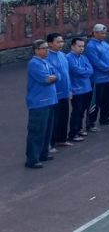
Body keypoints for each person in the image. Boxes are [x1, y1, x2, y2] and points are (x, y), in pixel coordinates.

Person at [25, 40, 58, 168]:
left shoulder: (46, 61)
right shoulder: (34, 63)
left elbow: (57, 75)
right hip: (39, 102)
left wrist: (54, 77)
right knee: (37, 130)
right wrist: (53, 77)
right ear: (36, 50)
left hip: (50, 100)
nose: (47, 50)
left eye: (47, 48)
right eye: (44, 48)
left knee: (47, 129)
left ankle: (43, 153)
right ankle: (32, 159)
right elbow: (45, 79)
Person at [85, 24, 109, 130]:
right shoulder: (91, 46)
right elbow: (96, 62)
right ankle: (91, 123)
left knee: (107, 100)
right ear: (95, 33)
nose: (104, 35)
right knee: (95, 102)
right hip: (97, 79)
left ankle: (105, 119)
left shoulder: (105, 44)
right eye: (102, 33)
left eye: (105, 33)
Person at [47, 33, 72, 149]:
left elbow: (67, 74)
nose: (61, 44)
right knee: (53, 120)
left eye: (62, 41)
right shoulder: (47, 57)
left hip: (65, 92)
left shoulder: (63, 55)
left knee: (64, 117)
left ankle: (61, 139)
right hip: (54, 94)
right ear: (50, 44)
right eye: (58, 42)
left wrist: (70, 90)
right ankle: (50, 144)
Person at [67, 38, 92, 142]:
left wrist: (85, 72)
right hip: (76, 90)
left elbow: (90, 70)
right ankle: (73, 133)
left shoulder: (84, 57)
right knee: (76, 111)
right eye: (79, 46)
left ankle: (79, 129)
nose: (82, 48)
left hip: (86, 88)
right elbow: (76, 71)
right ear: (72, 46)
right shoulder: (68, 58)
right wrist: (85, 72)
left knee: (82, 110)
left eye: (83, 46)